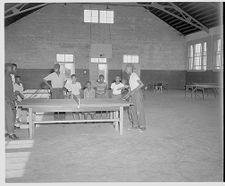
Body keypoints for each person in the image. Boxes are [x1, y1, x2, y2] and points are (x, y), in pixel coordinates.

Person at [123, 65, 146, 132]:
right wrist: (127, 95)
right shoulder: (130, 77)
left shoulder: (134, 75)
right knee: (132, 109)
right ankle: (135, 125)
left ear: (130, 69)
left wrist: (134, 91)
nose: (126, 70)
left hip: (137, 94)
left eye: (127, 69)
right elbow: (131, 89)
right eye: (126, 69)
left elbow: (141, 84)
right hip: (133, 94)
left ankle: (142, 126)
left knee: (139, 110)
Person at [5, 63, 19, 140]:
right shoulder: (4, 77)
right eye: (11, 68)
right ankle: (11, 133)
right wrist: (8, 100)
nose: (13, 69)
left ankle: (6, 131)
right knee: (10, 116)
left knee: (10, 115)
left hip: (10, 98)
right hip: (6, 99)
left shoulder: (9, 77)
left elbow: (10, 90)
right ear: (7, 68)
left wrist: (13, 98)